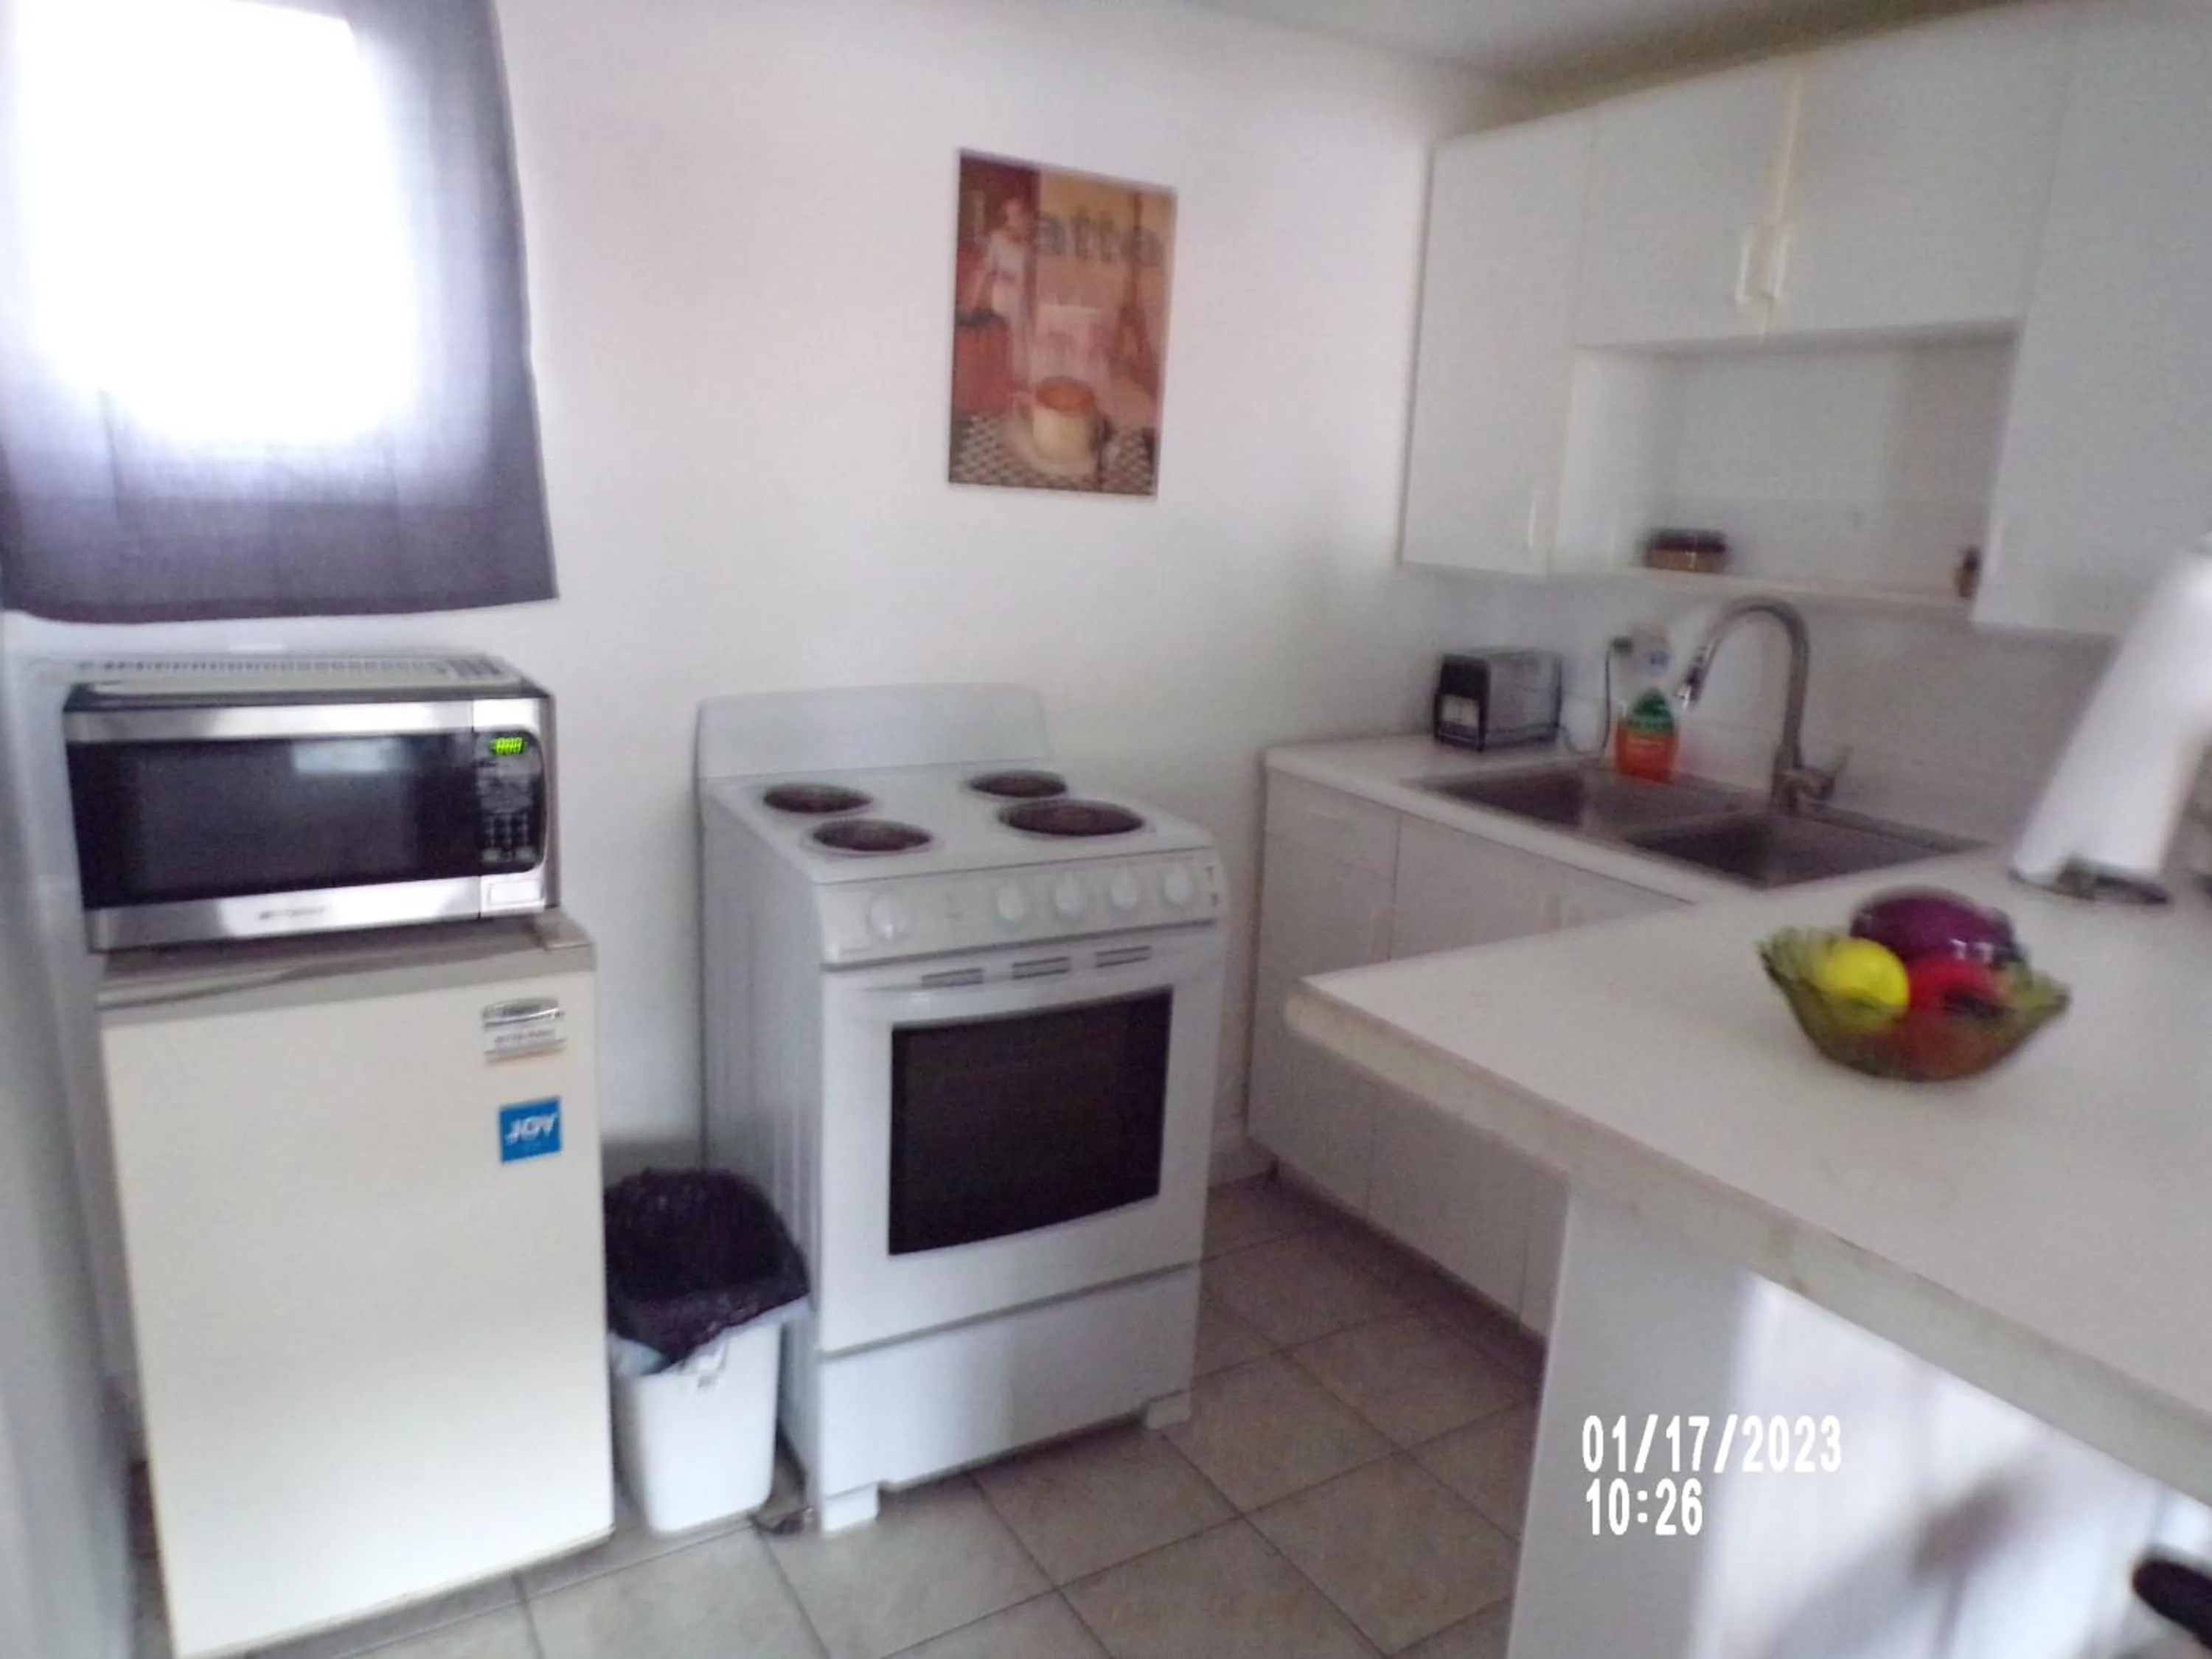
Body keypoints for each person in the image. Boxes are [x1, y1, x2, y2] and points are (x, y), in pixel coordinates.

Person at [964, 195, 1035, 389]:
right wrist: (974, 298)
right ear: (1007, 214)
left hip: (1021, 294)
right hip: (1003, 292)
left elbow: (1027, 274)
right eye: (1014, 213)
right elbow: (987, 267)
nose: (1017, 217)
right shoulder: (996, 237)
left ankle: (1023, 379)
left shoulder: (1026, 243)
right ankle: (1015, 379)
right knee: (1015, 328)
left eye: (1021, 213)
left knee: (1024, 328)